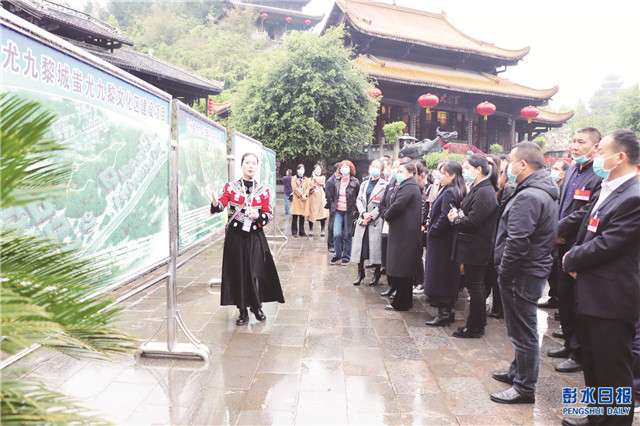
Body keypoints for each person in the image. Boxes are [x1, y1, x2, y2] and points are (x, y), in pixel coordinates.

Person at [560, 130, 640, 426]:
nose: (596, 156)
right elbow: (588, 229)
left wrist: (572, 258)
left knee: (614, 373)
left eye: (601, 151)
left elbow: (609, 243)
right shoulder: (608, 188)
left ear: (620, 157)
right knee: (593, 366)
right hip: (592, 292)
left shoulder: (634, 197)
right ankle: (597, 417)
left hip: (612, 299)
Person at [490, 141, 558, 404]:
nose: (507, 165)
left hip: (522, 272)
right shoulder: (538, 189)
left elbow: (518, 240)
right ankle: (517, 371)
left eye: (510, 160)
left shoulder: (530, 195)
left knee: (523, 331)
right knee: (520, 328)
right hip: (530, 269)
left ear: (522, 164)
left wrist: (504, 271)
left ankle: (524, 387)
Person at [549, 127, 603, 374]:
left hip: (578, 242)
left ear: (595, 147)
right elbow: (562, 204)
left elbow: (586, 211)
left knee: (577, 298)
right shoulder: (572, 168)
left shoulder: (598, 175)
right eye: (574, 141)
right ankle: (569, 343)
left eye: (581, 142)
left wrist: (558, 229)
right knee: (564, 297)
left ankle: (578, 352)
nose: (575, 146)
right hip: (561, 242)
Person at [210, 153, 284, 325]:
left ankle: (256, 306)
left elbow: (269, 214)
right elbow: (220, 206)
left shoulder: (263, 190)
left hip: (255, 235)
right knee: (239, 272)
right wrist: (214, 202)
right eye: (247, 163)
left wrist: (258, 216)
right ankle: (242, 310)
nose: (251, 166)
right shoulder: (231, 188)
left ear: (257, 167)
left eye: (254, 163)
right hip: (235, 237)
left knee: (256, 270)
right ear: (242, 165)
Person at [447, 154, 499, 338]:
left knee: (475, 286)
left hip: (477, 246)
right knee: (476, 285)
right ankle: (478, 322)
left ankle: (474, 327)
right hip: (473, 245)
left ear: (479, 169)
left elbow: (474, 221)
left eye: (467, 168)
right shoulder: (478, 188)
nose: (464, 171)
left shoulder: (485, 191)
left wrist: (456, 219)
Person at [424, 160, 466, 326]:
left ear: (452, 175)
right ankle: (447, 311)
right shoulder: (453, 189)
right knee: (444, 274)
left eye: (443, 173)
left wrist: (433, 231)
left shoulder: (450, 192)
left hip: (442, 241)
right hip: (446, 240)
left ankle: (444, 312)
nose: (440, 176)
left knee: (440, 275)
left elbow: (445, 216)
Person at [383, 161, 422, 311]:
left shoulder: (409, 187)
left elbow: (398, 205)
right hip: (403, 232)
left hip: (404, 233)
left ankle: (401, 302)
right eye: (397, 171)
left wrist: (387, 215)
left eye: (401, 171)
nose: (398, 174)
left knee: (402, 269)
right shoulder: (407, 185)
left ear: (411, 173)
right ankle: (404, 301)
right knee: (402, 269)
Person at [538, 159, 571, 310]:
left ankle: (558, 299)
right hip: (552, 233)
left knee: (559, 269)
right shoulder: (553, 187)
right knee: (552, 269)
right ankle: (554, 297)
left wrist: (557, 231)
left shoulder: (566, 188)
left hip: (561, 234)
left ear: (564, 173)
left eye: (557, 169)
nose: (554, 172)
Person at [351, 159, 387, 286]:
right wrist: (363, 213)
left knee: (375, 248)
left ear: (381, 170)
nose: (374, 168)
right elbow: (359, 199)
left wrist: (371, 215)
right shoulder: (364, 183)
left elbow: (383, 203)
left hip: (375, 220)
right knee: (360, 248)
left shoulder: (384, 185)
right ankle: (360, 273)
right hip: (363, 219)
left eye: (377, 167)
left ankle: (377, 274)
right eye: (373, 166)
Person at [378, 158, 401, 297]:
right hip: (386, 224)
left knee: (396, 257)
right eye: (394, 167)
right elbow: (382, 204)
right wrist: (385, 216)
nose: (396, 170)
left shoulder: (405, 187)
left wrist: (390, 217)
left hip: (397, 225)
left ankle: (398, 286)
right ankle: (390, 284)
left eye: (399, 167)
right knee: (386, 255)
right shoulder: (390, 184)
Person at [330, 160, 360, 265]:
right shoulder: (336, 181)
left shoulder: (355, 182)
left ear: (351, 169)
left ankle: (346, 256)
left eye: (347, 167)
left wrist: (356, 212)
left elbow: (358, 197)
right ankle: (337, 254)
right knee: (336, 234)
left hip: (349, 212)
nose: (344, 168)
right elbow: (333, 195)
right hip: (338, 211)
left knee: (347, 235)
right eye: (342, 166)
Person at [307, 165, 329, 237]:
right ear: (314, 170)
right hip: (313, 198)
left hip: (321, 199)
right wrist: (311, 188)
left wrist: (314, 176)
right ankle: (311, 229)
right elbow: (307, 189)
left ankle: (322, 229)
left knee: (322, 215)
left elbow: (319, 181)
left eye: (319, 169)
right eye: (317, 169)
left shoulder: (322, 177)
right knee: (311, 215)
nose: (318, 171)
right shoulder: (309, 179)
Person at [290, 164, 310, 237]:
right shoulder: (294, 178)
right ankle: (294, 231)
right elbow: (294, 188)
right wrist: (301, 195)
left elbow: (308, 188)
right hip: (297, 198)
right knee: (295, 216)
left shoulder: (306, 179)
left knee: (302, 216)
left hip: (304, 199)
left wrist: (305, 195)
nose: (302, 171)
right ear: (297, 170)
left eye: (303, 169)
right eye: (300, 169)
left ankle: (302, 231)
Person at [324, 163, 340, 253]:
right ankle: (331, 245)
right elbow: (328, 196)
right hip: (334, 207)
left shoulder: (342, 180)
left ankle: (339, 244)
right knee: (332, 226)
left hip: (342, 206)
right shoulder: (330, 181)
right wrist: (333, 206)